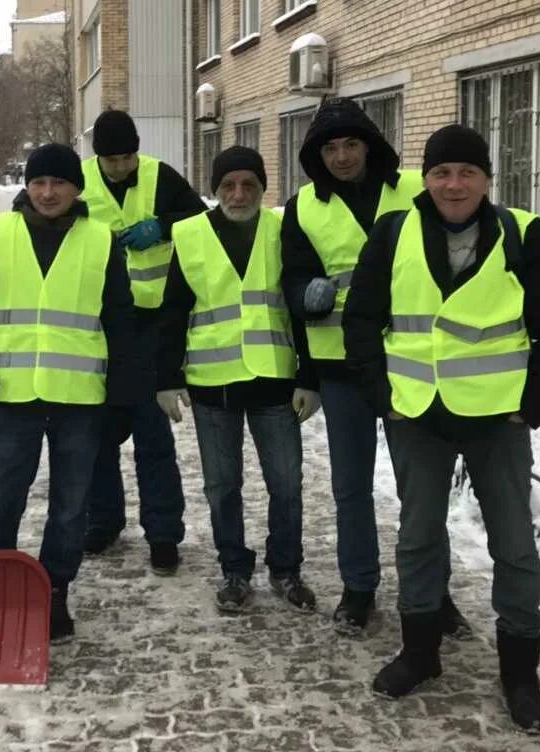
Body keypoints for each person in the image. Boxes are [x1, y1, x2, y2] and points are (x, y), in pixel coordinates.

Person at [343, 124, 540, 732]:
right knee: (418, 535)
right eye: (442, 172)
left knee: (514, 544)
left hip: (497, 418)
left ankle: (520, 671)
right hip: (417, 413)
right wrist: (382, 395)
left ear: (486, 180)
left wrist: (534, 402)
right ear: (426, 179)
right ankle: (421, 652)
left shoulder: (525, 234)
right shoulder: (393, 233)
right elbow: (363, 319)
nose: (454, 184)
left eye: (467, 173)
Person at [280, 98, 469, 639]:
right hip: (341, 367)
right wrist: (305, 296)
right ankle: (358, 588)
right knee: (351, 487)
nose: (342, 156)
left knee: (421, 488)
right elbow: (291, 281)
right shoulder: (304, 208)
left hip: (412, 362)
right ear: (317, 155)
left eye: (352, 144)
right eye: (330, 148)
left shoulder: (416, 189)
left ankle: (434, 594)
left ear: (371, 145)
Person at [0, 142, 142, 641]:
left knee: (70, 506)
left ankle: (54, 591)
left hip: (80, 398)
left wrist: (122, 395)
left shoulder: (101, 240)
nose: (48, 192)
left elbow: (121, 321)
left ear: (76, 188)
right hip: (11, 394)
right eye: (39, 182)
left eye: (58, 182)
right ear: (27, 186)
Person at [158, 145, 319, 615]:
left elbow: (299, 307)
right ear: (214, 190)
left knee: (286, 483)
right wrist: (166, 377)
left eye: (249, 184)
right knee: (222, 485)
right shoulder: (189, 235)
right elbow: (172, 310)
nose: (239, 193)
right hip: (213, 384)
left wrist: (310, 377)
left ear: (263, 188)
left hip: (274, 382)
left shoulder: (282, 229)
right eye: (228, 184)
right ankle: (235, 569)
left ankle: (286, 568)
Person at [78, 108, 205, 575]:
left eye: (127, 156)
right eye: (111, 159)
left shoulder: (161, 176)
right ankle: (104, 521)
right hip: (97, 324)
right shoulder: (80, 180)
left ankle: (164, 533)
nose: (120, 166)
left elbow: (198, 218)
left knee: (153, 437)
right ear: (98, 158)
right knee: (97, 435)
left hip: (151, 325)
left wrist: (163, 226)